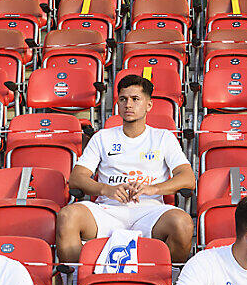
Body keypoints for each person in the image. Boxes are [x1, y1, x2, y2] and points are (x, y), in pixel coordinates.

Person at [55, 74, 195, 263]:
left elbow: (188, 178)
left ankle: (166, 283)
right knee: (67, 216)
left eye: (135, 99)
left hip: (150, 211)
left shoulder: (163, 137)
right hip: (107, 210)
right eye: (123, 99)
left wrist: (154, 188)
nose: (128, 104)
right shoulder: (102, 137)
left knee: (183, 223)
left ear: (149, 105)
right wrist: (106, 189)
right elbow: (77, 178)